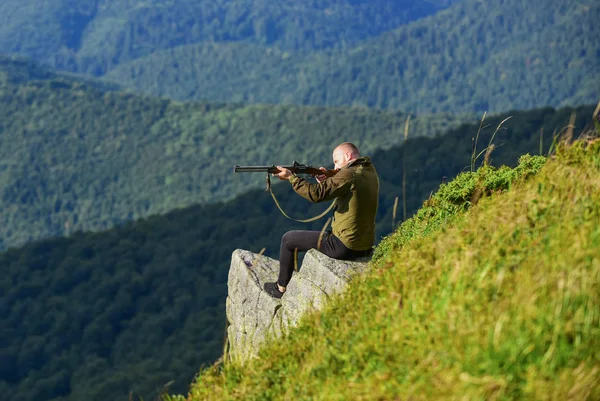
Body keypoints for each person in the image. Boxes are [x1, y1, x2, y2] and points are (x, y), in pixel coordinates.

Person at [263, 142, 379, 299]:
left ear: (348, 156)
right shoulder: (368, 170)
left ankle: (280, 288)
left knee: (288, 239)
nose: (335, 166)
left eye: (336, 161)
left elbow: (316, 195)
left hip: (344, 245)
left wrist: (292, 178)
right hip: (364, 244)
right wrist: (327, 179)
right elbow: (344, 188)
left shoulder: (348, 174)